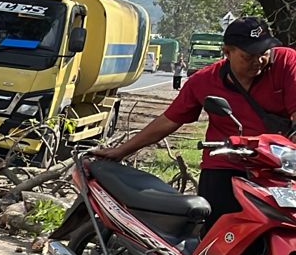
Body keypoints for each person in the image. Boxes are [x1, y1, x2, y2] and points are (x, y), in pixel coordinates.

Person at [94, 16, 294, 230]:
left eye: (263, 53)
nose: (259, 61)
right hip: (226, 164)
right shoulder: (203, 80)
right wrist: (122, 151)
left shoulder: (285, 62)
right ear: (227, 52)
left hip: (278, 165)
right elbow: (169, 120)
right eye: (249, 56)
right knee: (216, 233)